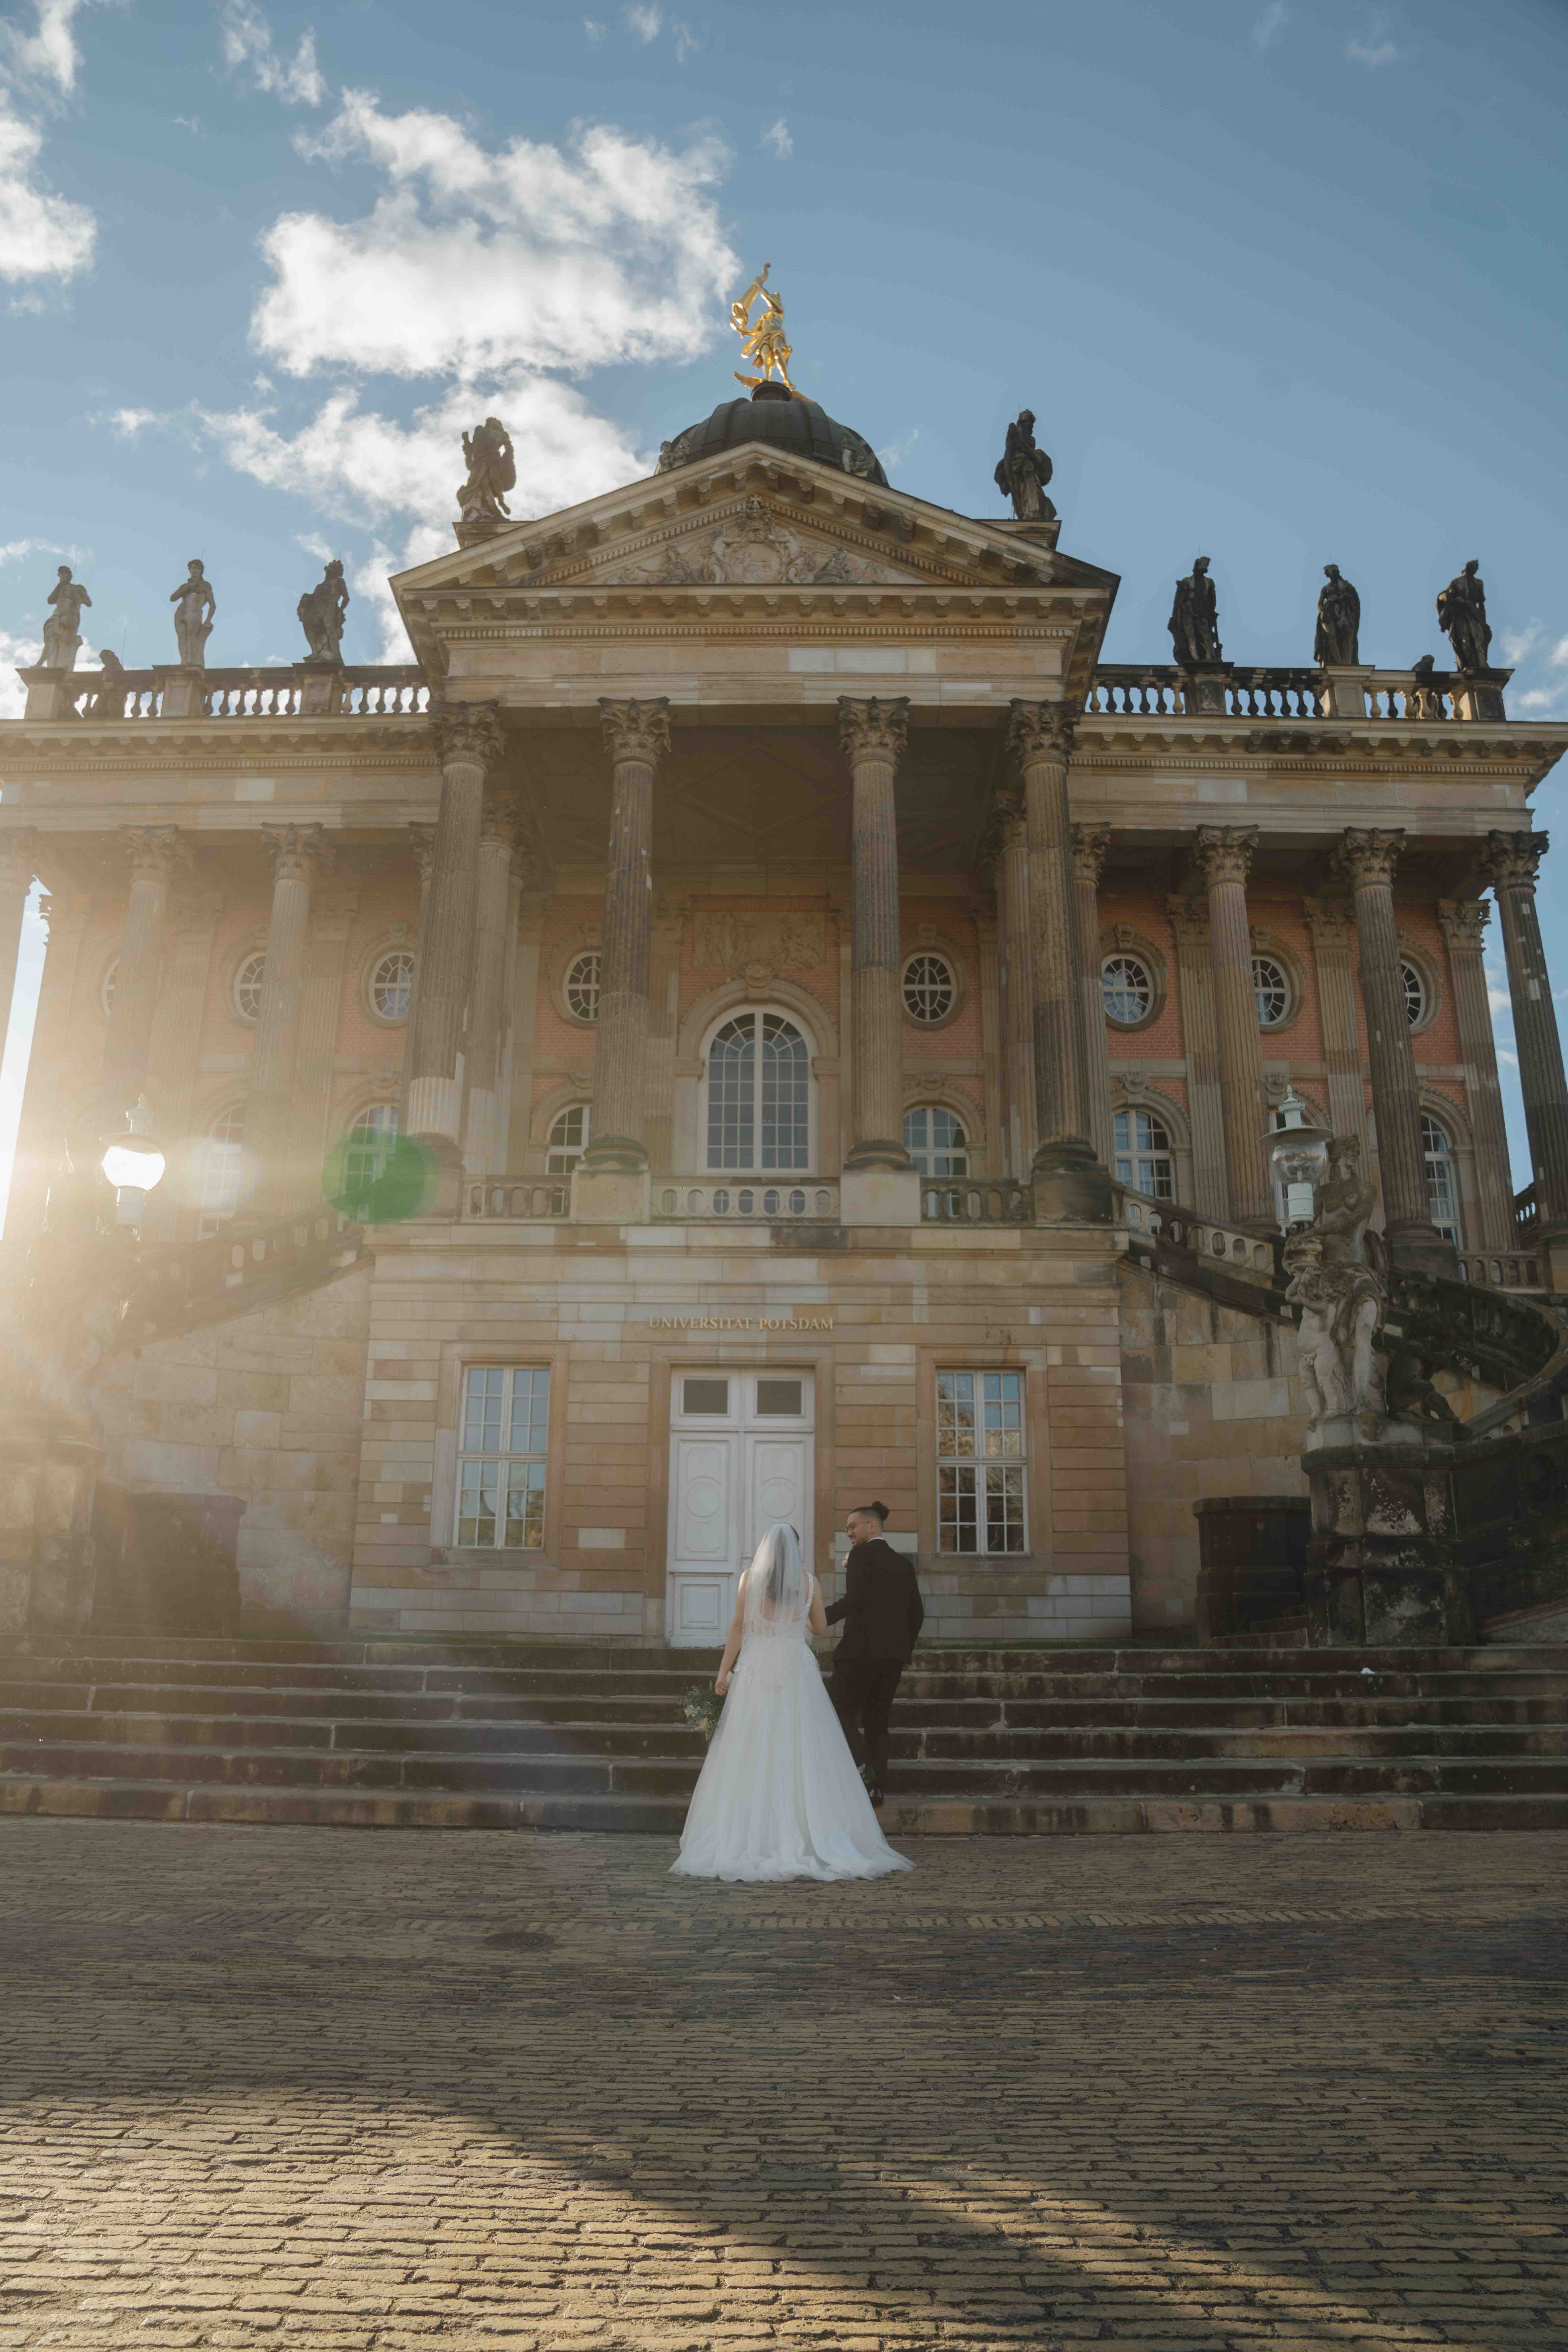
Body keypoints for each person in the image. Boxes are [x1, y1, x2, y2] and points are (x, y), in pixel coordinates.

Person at [670, 1523, 912, 1883]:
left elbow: (737, 1627)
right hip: (795, 1667)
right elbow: (818, 1628)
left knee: (750, 1747)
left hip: (756, 1667)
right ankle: (812, 1832)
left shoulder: (749, 1579)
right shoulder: (808, 1583)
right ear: (796, 1552)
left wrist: (724, 1672)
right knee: (801, 1747)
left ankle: (749, 1835)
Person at [825, 1501, 925, 1810]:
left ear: (872, 1527)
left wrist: (816, 1617)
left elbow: (854, 1601)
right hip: (892, 1659)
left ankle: (861, 1767)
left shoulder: (861, 1555)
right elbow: (917, 1614)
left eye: (853, 1527)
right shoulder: (904, 1564)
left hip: (858, 1653)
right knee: (877, 1721)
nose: (849, 1534)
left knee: (839, 1711)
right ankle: (878, 1787)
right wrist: (900, 1650)